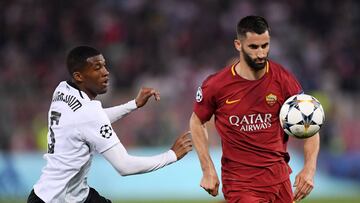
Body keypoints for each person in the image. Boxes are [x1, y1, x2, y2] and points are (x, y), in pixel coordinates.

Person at [27, 45, 192, 203]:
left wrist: (133, 104)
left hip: (74, 196)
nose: (106, 73)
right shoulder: (89, 113)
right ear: (79, 76)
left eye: (104, 66)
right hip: (55, 199)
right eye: (97, 68)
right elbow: (124, 166)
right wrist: (172, 155)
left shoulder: (62, 90)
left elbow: (89, 121)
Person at [190, 15, 320, 203]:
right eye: (253, 47)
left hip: (280, 181)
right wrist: (207, 168)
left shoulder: (283, 79)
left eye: (264, 46)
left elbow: (310, 123)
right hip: (240, 184)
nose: (260, 53)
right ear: (238, 45)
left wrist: (309, 168)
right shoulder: (216, 85)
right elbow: (196, 121)